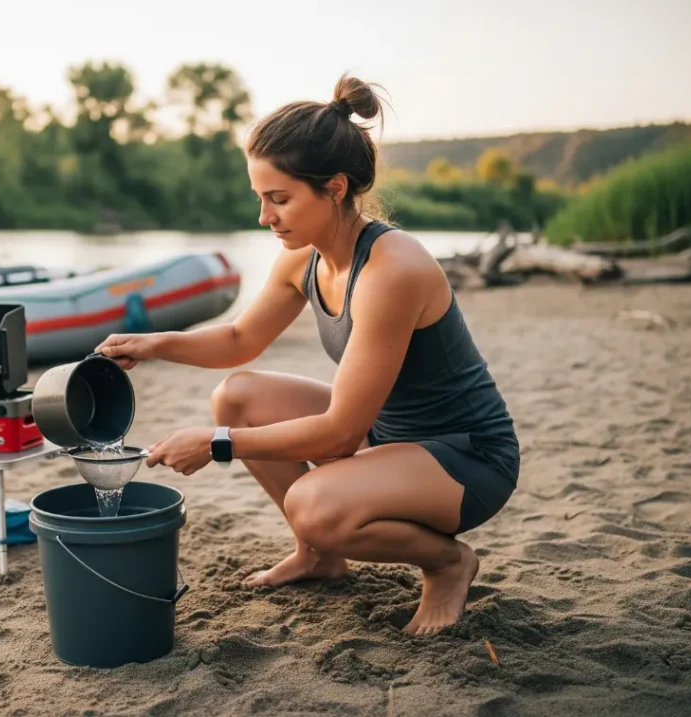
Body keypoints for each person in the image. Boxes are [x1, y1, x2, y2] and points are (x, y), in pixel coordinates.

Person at [94, 74, 520, 635]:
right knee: (238, 396)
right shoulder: (306, 257)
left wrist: (216, 445)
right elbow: (240, 341)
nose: (265, 217)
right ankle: (319, 556)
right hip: (390, 439)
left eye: (280, 199)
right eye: (260, 199)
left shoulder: (392, 271)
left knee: (315, 505)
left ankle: (446, 563)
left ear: (336, 188)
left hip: (465, 461)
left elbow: (341, 434)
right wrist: (155, 344)